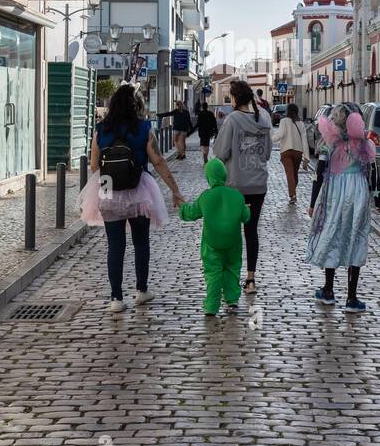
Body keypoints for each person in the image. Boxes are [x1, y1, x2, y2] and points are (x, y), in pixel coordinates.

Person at [81, 84, 185, 313]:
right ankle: (141, 290)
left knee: (114, 245)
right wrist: (175, 190)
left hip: (108, 189)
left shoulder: (100, 130)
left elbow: (94, 166)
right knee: (141, 242)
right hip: (139, 188)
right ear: (136, 105)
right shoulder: (144, 128)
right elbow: (158, 161)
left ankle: (116, 299)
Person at [307, 103, 376, 312]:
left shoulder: (330, 144)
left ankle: (328, 290)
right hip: (358, 191)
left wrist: (312, 203)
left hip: (334, 191)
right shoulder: (363, 144)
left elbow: (319, 174)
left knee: (332, 234)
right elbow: (371, 171)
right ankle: (352, 298)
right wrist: (377, 198)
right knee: (356, 237)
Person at [213, 79, 272, 295]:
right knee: (251, 230)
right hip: (258, 184)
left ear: (236, 98)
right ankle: (251, 279)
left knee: (231, 232)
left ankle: (231, 277)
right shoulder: (263, 119)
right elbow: (266, 153)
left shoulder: (233, 120)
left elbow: (219, 153)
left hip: (235, 184)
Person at [179, 157, 250, 316]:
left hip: (212, 243)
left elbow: (191, 213)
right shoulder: (236, 195)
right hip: (233, 242)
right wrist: (246, 209)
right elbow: (246, 217)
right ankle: (232, 300)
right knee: (232, 269)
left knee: (213, 273)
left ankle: (211, 306)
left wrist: (182, 207)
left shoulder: (206, 197)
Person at [273, 103, 309, 202]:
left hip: (286, 151)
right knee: (294, 174)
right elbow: (304, 140)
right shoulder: (301, 123)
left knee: (290, 174)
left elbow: (280, 135)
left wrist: (270, 139)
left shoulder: (284, 121)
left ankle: (293, 195)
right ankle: (293, 193)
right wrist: (306, 157)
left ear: (287, 111)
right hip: (298, 152)